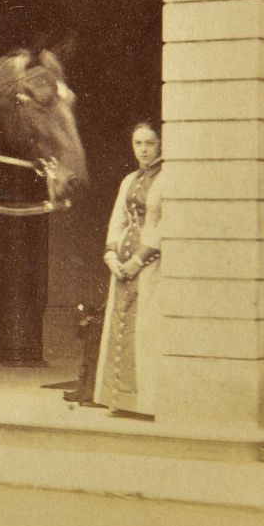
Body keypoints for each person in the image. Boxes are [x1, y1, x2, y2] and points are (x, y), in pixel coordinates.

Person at [92, 120, 165, 418]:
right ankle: (119, 400)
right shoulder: (128, 180)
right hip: (123, 265)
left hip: (152, 267)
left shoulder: (169, 178)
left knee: (145, 330)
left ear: (160, 144)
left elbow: (165, 224)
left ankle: (146, 403)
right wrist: (112, 255)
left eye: (149, 143)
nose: (144, 150)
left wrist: (139, 259)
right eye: (138, 143)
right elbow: (117, 220)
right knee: (119, 326)